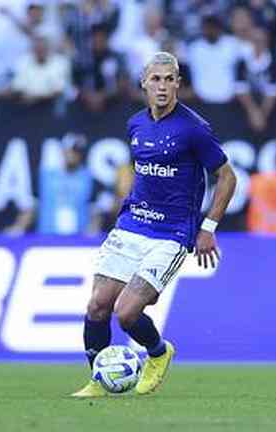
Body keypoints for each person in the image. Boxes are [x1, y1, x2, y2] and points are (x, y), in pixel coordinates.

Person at [71, 51, 237, 398]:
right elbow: (146, 173)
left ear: (178, 83)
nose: (162, 86)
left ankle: (159, 353)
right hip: (132, 224)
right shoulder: (135, 124)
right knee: (97, 305)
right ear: (144, 83)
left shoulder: (194, 129)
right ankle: (99, 380)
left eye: (169, 79)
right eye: (155, 79)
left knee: (127, 313)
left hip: (172, 233)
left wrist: (208, 227)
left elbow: (226, 176)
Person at [3, 134, 101, 236]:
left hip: (78, 240)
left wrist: (93, 231)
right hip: (47, 239)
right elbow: (32, 207)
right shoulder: (45, 176)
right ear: (63, 150)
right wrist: (19, 227)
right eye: (70, 149)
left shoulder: (90, 179)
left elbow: (94, 211)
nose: (72, 154)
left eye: (77, 151)